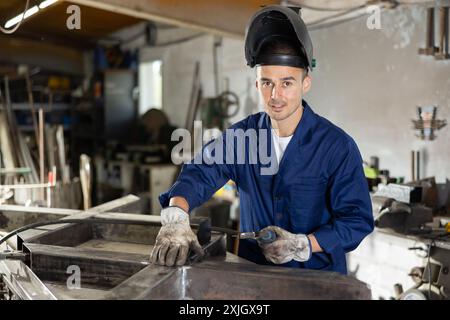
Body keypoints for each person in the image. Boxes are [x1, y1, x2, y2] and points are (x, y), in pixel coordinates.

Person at [150, 5, 374, 275]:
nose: (275, 95)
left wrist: (303, 244)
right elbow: (199, 174)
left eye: (287, 83)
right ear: (257, 84)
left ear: (306, 84)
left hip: (317, 283)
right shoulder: (242, 138)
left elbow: (356, 220)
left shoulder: (337, 147)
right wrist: (176, 216)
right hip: (254, 281)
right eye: (267, 83)